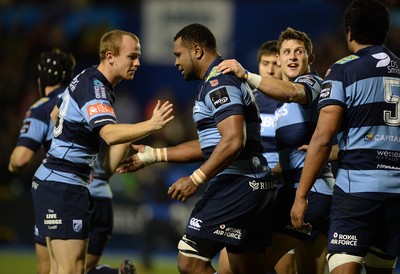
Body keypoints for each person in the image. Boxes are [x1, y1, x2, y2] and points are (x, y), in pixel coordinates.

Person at [117, 23, 278, 274]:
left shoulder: (218, 82)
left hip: (239, 184)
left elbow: (234, 140)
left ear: (198, 50)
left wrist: (196, 178)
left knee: (190, 261)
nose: (176, 62)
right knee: (245, 268)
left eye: (178, 54)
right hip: (254, 184)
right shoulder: (214, 81)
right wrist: (153, 155)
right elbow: (211, 145)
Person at [30, 30, 174, 274]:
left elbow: (56, 113)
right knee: (72, 269)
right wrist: (152, 124)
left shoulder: (87, 78)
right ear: (110, 56)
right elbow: (108, 134)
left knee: (60, 269)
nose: (137, 62)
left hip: (57, 181)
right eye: (132, 56)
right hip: (64, 185)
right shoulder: (95, 85)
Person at [290, 0, 400, 273]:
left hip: (357, 191)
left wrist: (301, 196)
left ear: (349, 32)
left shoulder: (343, 70)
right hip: (397, 194)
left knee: (343, 266)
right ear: (384, 31)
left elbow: (323, 136)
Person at [217, 27, 335, 274]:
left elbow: (294, 93)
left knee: (250, 262)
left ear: (309, 59)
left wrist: (246, 74)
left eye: (299, 52)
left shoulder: (312, 83)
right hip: (295, 190)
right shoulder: (280, 105)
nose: (292, 57)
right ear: (280, 60)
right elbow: (294, 159)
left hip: (311, 193)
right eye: (287, 52)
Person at [217, 40, 296, 274]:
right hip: (249, 194)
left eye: (275, 64)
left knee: (283, 266)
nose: (270, 70)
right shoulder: (246, 101)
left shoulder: (292, 101)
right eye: (265, 63)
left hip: (282, 195)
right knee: (227, 267)